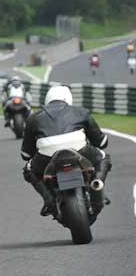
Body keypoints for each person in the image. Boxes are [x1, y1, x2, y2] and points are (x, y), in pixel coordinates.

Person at [21, 85, 112, 217]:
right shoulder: (81, 112)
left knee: (29, 170)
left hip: (47, 155)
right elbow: (101, 142)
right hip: (80, 150)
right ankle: (97, 182)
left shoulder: (33, 118)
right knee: (103, 157)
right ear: (68, 98)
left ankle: (49, 200)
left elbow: (26, 154)